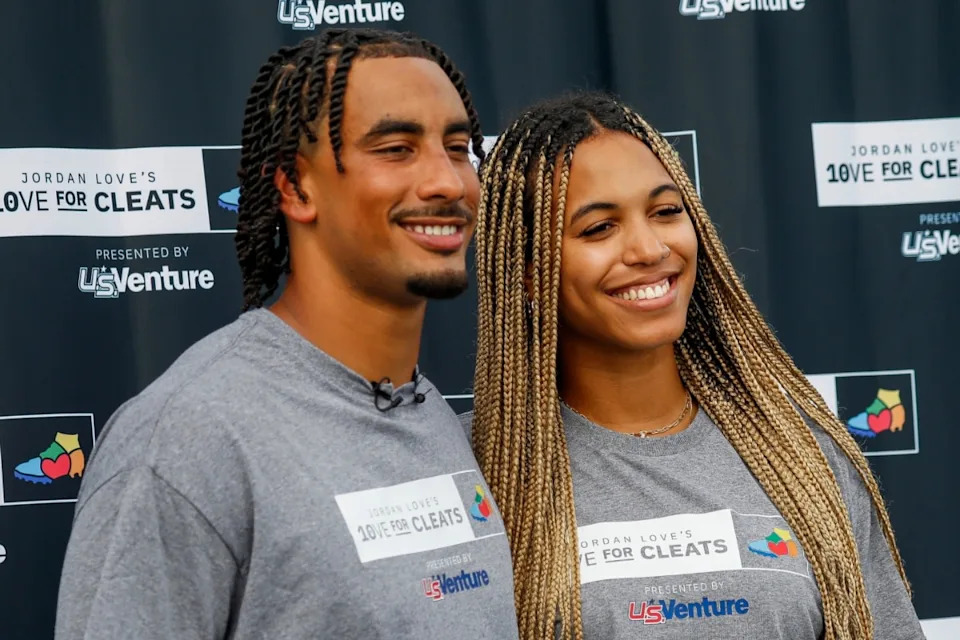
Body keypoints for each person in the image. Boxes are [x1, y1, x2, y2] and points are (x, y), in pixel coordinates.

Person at [55, 29, 519, 640]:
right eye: (397, 148)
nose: (449, 182)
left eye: (457, 148)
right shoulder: (186, 438)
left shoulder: (430, 411)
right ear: (296, 188)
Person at [466, 92, 923, 639]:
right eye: (598, 228)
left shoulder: (805, 460)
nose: (649, 248)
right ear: (526, 269)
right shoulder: (482, 473)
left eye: (665, 212)